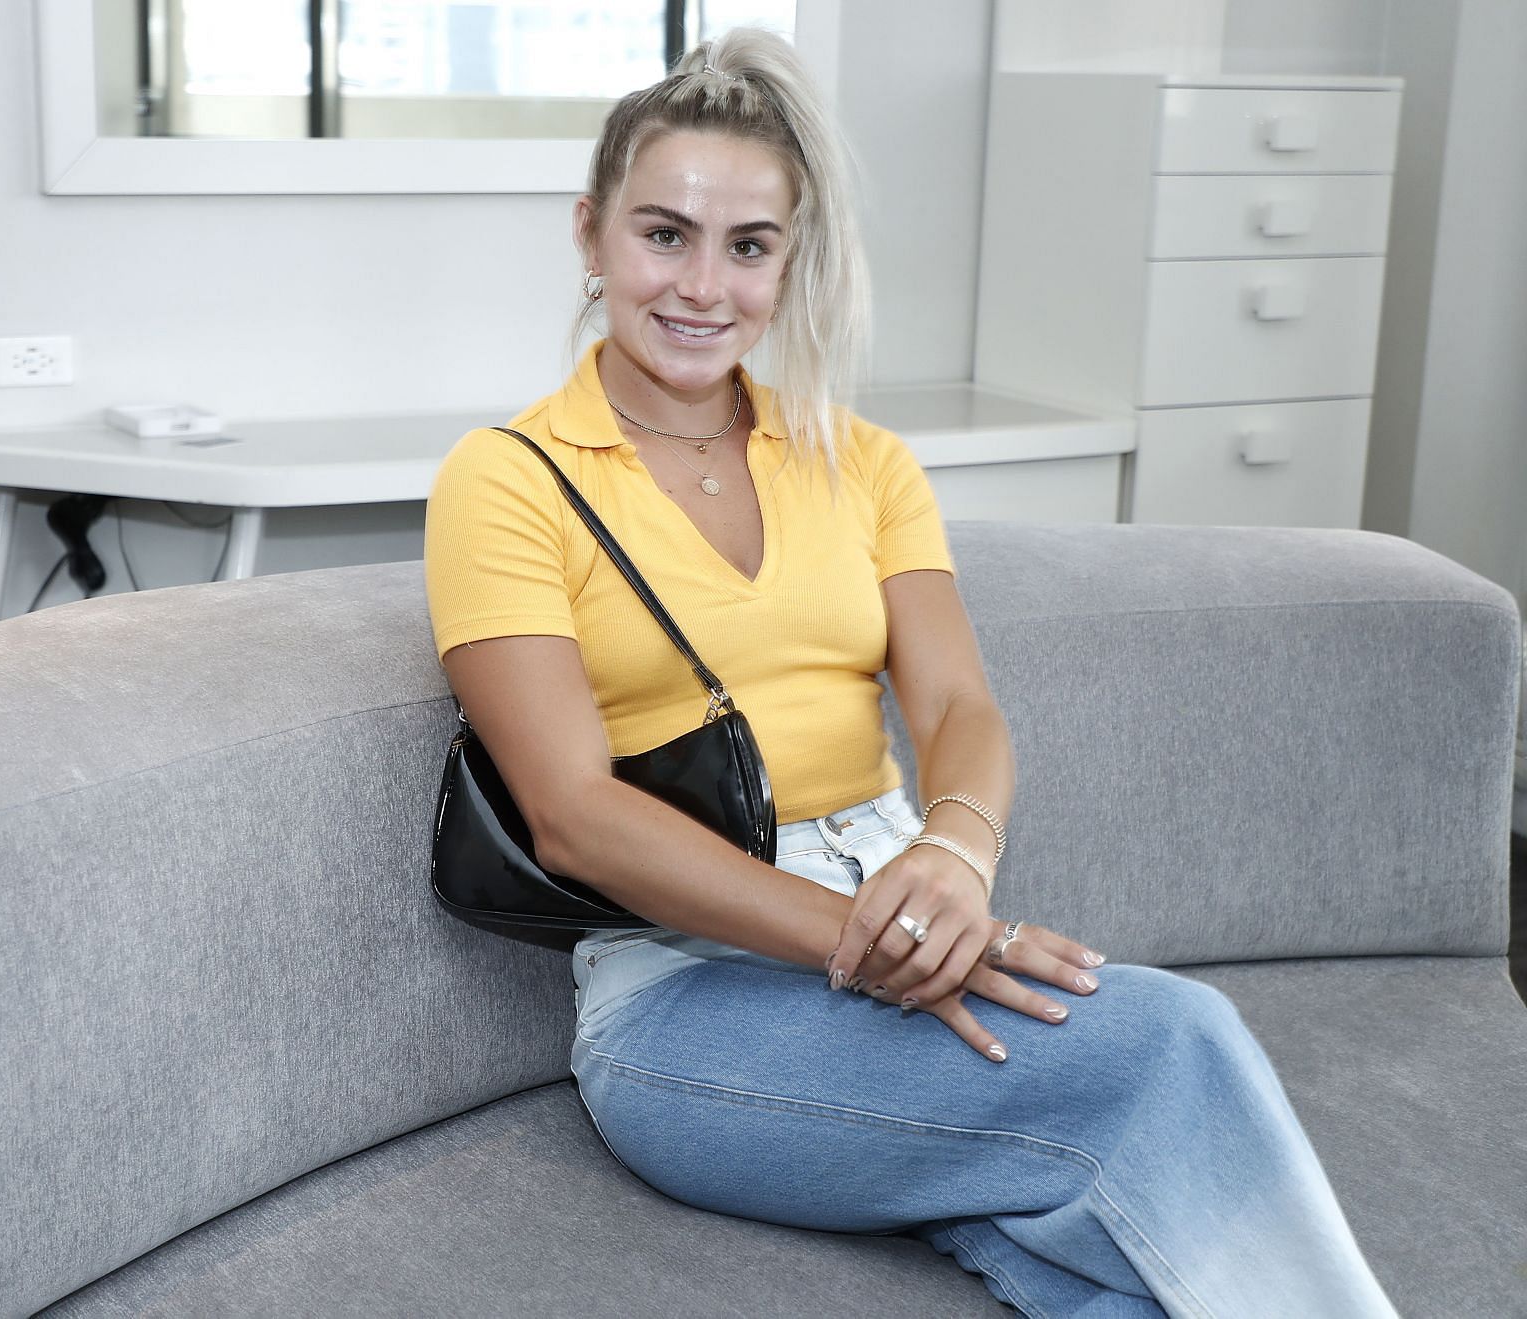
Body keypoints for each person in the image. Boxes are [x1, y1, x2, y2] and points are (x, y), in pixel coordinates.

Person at [423, 29, 1396, 1318]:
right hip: (686, 996)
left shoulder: (862, 463)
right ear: (592, 233)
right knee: (1177, 1042)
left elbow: (955, 707)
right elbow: (574, 814)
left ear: (791, 257)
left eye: (750, 245)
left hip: (896, 900)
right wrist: (880, 946)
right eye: (665, 234)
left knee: (1116, 1268)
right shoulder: (503, 480)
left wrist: (956, 860)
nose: (703, 285)